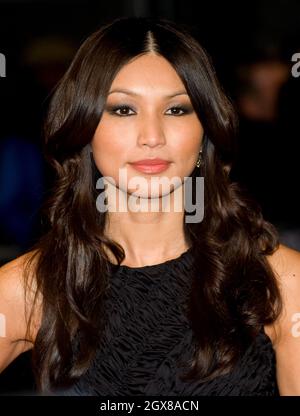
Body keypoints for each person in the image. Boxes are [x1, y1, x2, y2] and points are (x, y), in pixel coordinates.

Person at [0, 16, 300, 396]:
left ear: (205, 129)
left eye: (177, 110)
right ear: (85, 127)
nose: (152, 137)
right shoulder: (27, 289)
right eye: (123, 109)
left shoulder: (282, 283)